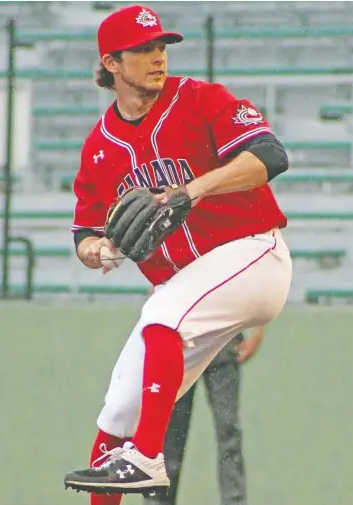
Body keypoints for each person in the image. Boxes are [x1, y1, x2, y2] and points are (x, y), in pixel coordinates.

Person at [63, 4, 292, 504]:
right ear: (112, 63)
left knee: (162, 319)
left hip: (253, 255)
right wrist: (96, 249)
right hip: (186, 287)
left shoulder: (201, 100)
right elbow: (84, 229)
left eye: (162, 46)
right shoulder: (100, 145)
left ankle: (147, 458)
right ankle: (125, 467)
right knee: (118, 409)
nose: (158, 57)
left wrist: (194, 189)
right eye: (143, 50)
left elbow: (271, 156)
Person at [143, 325, 266, 505]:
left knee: (228, 429)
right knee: (169, 437)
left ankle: (234, 501)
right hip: (181, 344)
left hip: (224, 339)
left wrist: (258, 333)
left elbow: (259, 296)